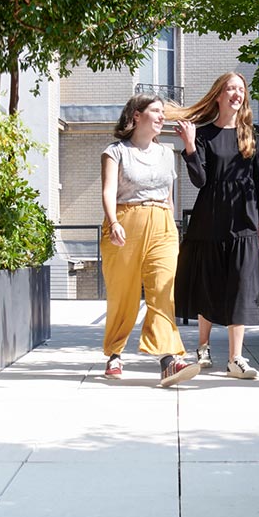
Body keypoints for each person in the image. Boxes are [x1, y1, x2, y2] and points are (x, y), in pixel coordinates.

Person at [173, 72, 259, 380]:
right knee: (209, 283)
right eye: (231, 88)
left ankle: (235, 358)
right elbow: (200, 180)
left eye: (241, 89)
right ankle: (203, 349)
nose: (237, 93)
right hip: (210, 218)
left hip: (245, 219)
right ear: (219, 95)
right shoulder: (203, 134)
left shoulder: (253, 134)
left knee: (239, 286)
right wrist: (190, 146)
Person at [100, 94, 200, 387]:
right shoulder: (115, 152)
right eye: (155, 111)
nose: (161, 116)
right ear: (136, 115)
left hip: (162, 225)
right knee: (123, 294)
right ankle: (114, 352)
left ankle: (169, 360)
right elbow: (108, 191)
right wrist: (113, 222)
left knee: (162, 292)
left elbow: (168, 196)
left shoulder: (167, 153)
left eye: (162, 112)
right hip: (125, 221)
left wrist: (171, 225)